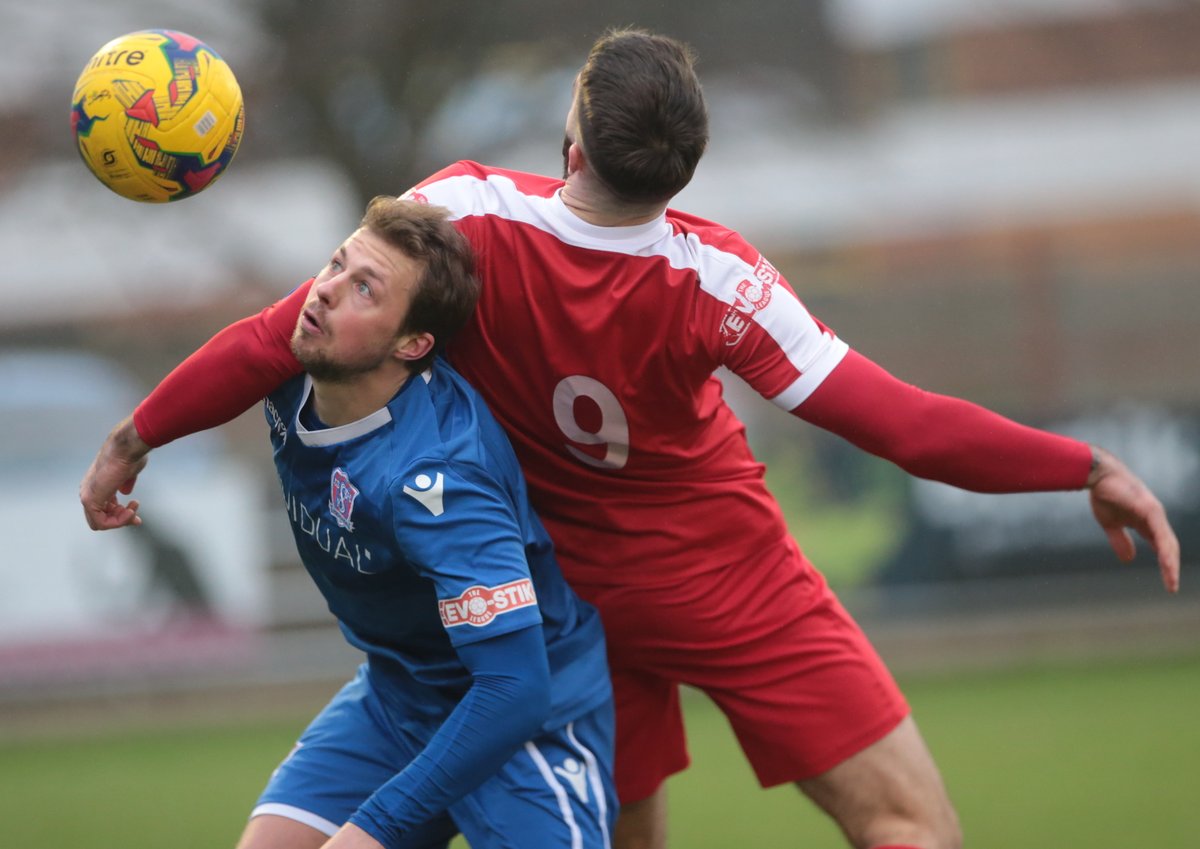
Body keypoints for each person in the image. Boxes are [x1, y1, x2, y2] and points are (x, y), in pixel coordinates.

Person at [81, 28, 1180, 849]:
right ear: (683, 169)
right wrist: (1078, 462)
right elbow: (902, 425)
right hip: (724, 578)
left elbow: (274, 340)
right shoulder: (721, 278)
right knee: (908, 828)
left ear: (572, 137)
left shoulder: (466, 212)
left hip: (566, 602)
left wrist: (138, 436)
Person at [81, 197, 617, 849]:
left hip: (520, 723)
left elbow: (516, 687)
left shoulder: (439, 479)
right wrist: (127, 444)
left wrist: (373, 828)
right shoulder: (300, 359)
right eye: (336, 264)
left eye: (364, 288)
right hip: (399, 694)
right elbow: (243, 350)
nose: (327, 291)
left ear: (413, 342)